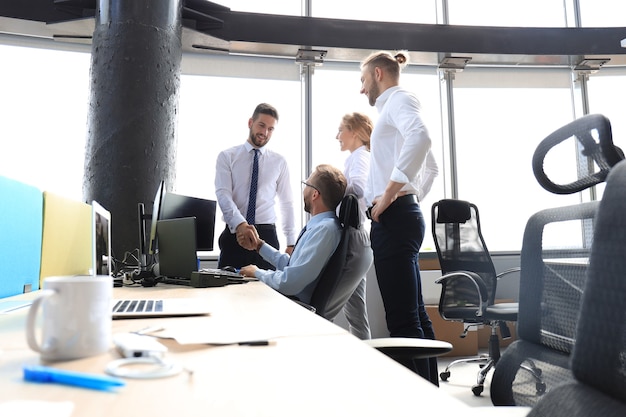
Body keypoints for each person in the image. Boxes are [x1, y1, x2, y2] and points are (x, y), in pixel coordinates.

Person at [359, 50, 439, 384]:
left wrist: (392, 194)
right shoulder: (392, 109)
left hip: (395, 218)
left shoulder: (398, 100)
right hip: (402, 215)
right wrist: (408, 196)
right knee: (415, 314)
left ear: (378, 73)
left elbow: (422, 137)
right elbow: (431, 166)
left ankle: (419, 403)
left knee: (403, 321)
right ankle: (433, 396)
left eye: (363, 80)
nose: (362, 89)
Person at [239, 164, 347, 304]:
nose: (304, 190)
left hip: (292, 303)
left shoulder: (325, 230)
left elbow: (290, 283)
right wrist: (260, 246)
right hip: (289, 299)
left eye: (306, 184)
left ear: (315, 194)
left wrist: (257, 272)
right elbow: (293, 266)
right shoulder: (320, 227)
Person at [215, 103, 297, 270]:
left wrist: (290, 241)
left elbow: (287, 202)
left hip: (267, 237)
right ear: (250, 123)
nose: (265, 133)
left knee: (268, 293)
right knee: (226, 292)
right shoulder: (227, 157)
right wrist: (241, 224)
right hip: (234, 235)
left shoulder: (279, 162)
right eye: (261, 125)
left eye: (270, 129)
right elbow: (223, 195)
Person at [335, 112, 375, 340]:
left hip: (353, 236)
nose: (337, 136)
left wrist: (332, 187)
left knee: (329, 304)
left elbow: (358, 187)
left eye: (341, 130)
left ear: (355, 132)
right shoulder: (357, 156)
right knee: (356, 312)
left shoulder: (360, 157)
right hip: (356, 234)